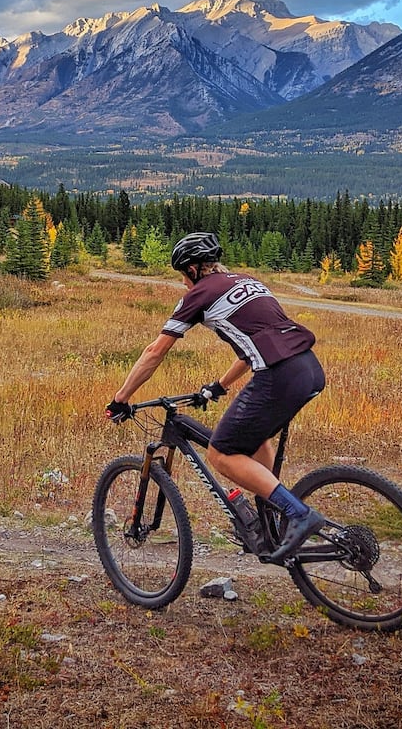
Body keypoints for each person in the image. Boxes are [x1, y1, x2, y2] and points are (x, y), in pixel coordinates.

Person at [106, 231, 326, 565]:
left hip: (277, 375)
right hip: (308, 369)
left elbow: (155, 351)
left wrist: (121, 397)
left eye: (183, 274)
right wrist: (219, 385)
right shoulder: (248, 282)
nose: (183, 283)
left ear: (193, 269)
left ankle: (297, 514)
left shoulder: (199, 294)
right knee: (253, 442)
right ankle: (273, 521)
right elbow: (253, 344)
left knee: (221, 453)